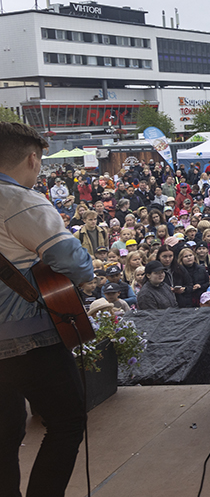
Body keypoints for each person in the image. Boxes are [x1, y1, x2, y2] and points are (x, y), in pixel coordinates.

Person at [0, 122, 95, 497]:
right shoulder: (20, 200)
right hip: (28, 339)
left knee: (4, 434)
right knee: (67, 422)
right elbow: (75, 263)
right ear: (32, 159)